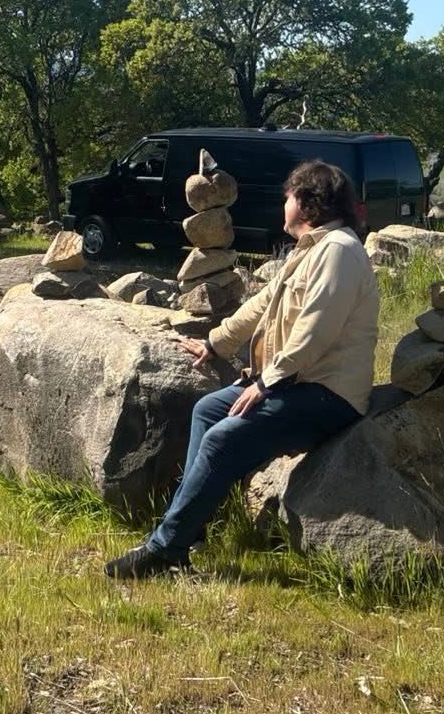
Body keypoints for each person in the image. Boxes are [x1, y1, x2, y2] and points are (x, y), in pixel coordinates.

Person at [104, 159, 379, 580]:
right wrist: (215, 343)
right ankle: (185, 531)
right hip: (299, 386)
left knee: (224, 438)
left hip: (328, 396)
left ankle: (165, 549)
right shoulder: (310, 251)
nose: (282, 204)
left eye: (288, 196)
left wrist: (268, 382)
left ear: (307, 202)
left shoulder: (339, 251)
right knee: (210, 410)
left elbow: (317, 329)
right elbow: (262, 304)